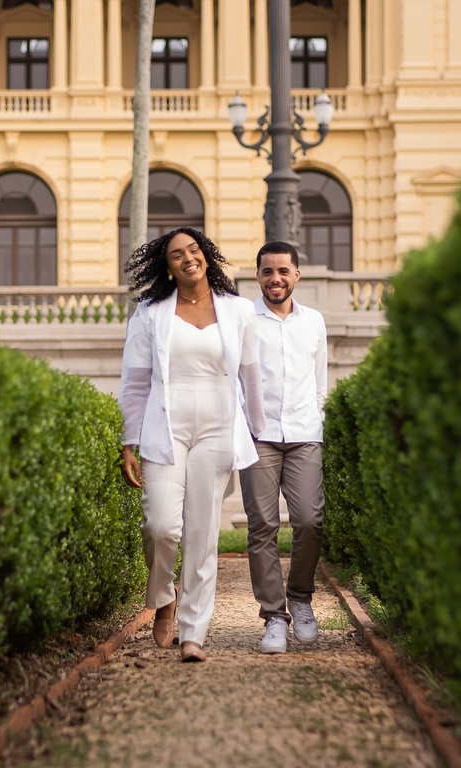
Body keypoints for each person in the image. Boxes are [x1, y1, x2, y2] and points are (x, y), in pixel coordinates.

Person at [119, 227, 265, 663]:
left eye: (194, 250)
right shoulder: (150, 313)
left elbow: (251, 379)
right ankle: (165, 596)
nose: (188, 258)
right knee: (160, 526)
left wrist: (254, 435)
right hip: (165, 428)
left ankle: (193, 633)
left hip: (218, 428)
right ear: (167, 267)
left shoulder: (238, 311)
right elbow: (135, 383)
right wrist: (129, 441)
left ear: (207, 257)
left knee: (203, 534)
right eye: (177, 255)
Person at [240, 241, 329, 654]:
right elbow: (233, 378)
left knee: (310, 520)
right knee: (262, 527)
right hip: (258, 437)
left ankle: (301, 597)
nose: (275, 279)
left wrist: (318, 422)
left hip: (304, 435)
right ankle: (274, 616)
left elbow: (320, 383)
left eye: (283, 271)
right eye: (267, 272)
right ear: (257, 276)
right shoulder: (244, 319)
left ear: (297, 274)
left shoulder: (313, 322)